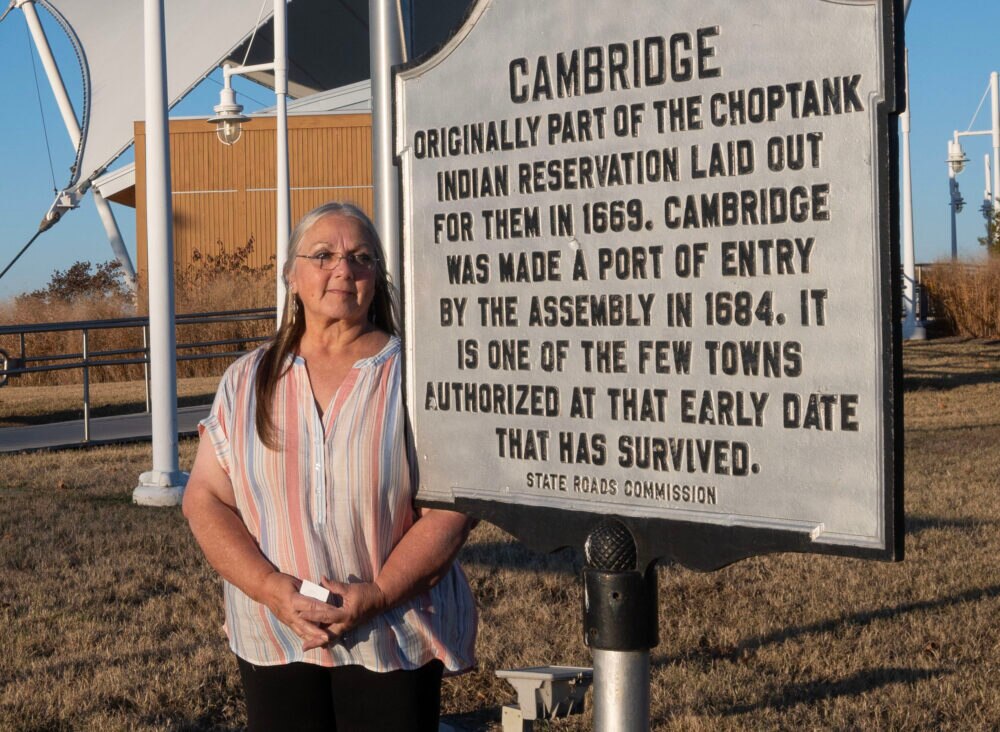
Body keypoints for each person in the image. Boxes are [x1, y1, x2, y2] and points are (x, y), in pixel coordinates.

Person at [182, 201, 477, 731]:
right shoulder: (247, 380)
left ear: (378, 278)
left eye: (361, 257)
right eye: (323, 255)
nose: (343, 268)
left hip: (393, 634)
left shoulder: (418, 378)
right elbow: (205, 498)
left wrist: (380, 593)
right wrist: (271, 588)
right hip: (275, 634)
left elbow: (451, 510)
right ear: (291, 275)